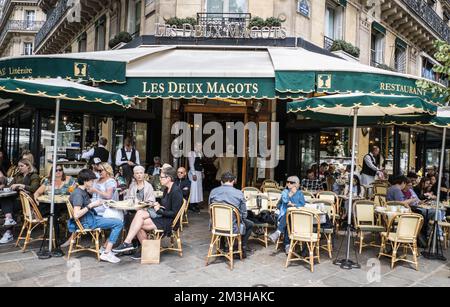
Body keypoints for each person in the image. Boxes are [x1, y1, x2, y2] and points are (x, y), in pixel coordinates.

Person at [113, 167, 183, 259]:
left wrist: (159, 210)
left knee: (138, 220)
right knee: (138, 220)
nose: (159, 179)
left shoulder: (176, 191)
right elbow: (166, 206)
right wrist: (158, 204)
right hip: (163, 216)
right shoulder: (167, 189)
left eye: (161, 177)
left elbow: (174, 213)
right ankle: (143, 249)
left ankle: (128, 243)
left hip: (169, 221)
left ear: (168, 178)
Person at [68, 169, 123, 263]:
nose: (93, 182)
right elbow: (76, 215)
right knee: (118, 223)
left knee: (116, 218)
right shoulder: (78, 194)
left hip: (88, 219)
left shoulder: (81, 191)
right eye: (92, 181)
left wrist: (98, 203)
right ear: (85, 181)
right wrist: (92, 205)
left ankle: (105, 248)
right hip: (86, 222)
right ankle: (106, 253)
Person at [208, 172, 253, 258]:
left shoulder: (213, 191)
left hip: (216, 226)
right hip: (232, 227)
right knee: (250, 224)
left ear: (221, 182)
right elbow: (244, 214)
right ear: (233, 181)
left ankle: (221, 247)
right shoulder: (239, 193)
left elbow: (209, 209)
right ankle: (242, 249)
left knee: (221, 220)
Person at [34, 166, 76, 252]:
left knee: (53, 214)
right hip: (51, 204)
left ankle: (56, 238)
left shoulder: (69, 179)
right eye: (56, 170)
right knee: (52, 213)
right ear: (52, 172)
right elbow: (37, 193)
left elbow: (75, 191)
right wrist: (36, 201)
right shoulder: (48, 181)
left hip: (64, 205)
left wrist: (72, 190)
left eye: (60, 170)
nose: (58, 171)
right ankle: (57, 239)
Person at [0, 159, 40, 244]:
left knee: (8, 205)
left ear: (28, 166)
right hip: (16, 199)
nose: (19, 168)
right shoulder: (18, 175)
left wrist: (20, 185)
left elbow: (34, 188)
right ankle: (9, 219)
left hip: (27, 201)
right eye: (19, 166)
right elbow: (9, 186)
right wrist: (5, 186)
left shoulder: (34, 176)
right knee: (5, 200)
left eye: (22, 166)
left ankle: (8, 231)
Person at [269, 176, 306, 254]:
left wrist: (293, 205)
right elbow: (284, 201)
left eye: (291, 182)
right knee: (288, 216)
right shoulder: (285, 192)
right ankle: (287, 245)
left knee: (289, 215)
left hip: (296, 216)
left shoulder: (300, 193)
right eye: (287, 182)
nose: (288, 184)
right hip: (285, 216)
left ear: (296, 184)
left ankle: (278, 232)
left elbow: (302, 205)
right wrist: (291, 194)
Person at [188, 142, 204, 212]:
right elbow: (191, 164)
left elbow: (201, 164)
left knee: (198, 189)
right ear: (195, 146)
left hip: (199, 173)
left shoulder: (200, 154)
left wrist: (202, 172)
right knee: (193, 189)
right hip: (194, 173)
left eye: (200, 146)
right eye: (198, 146)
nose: (200, 147)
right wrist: (193, 174)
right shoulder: (191, 153)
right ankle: (191, 205)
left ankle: (196, 203)